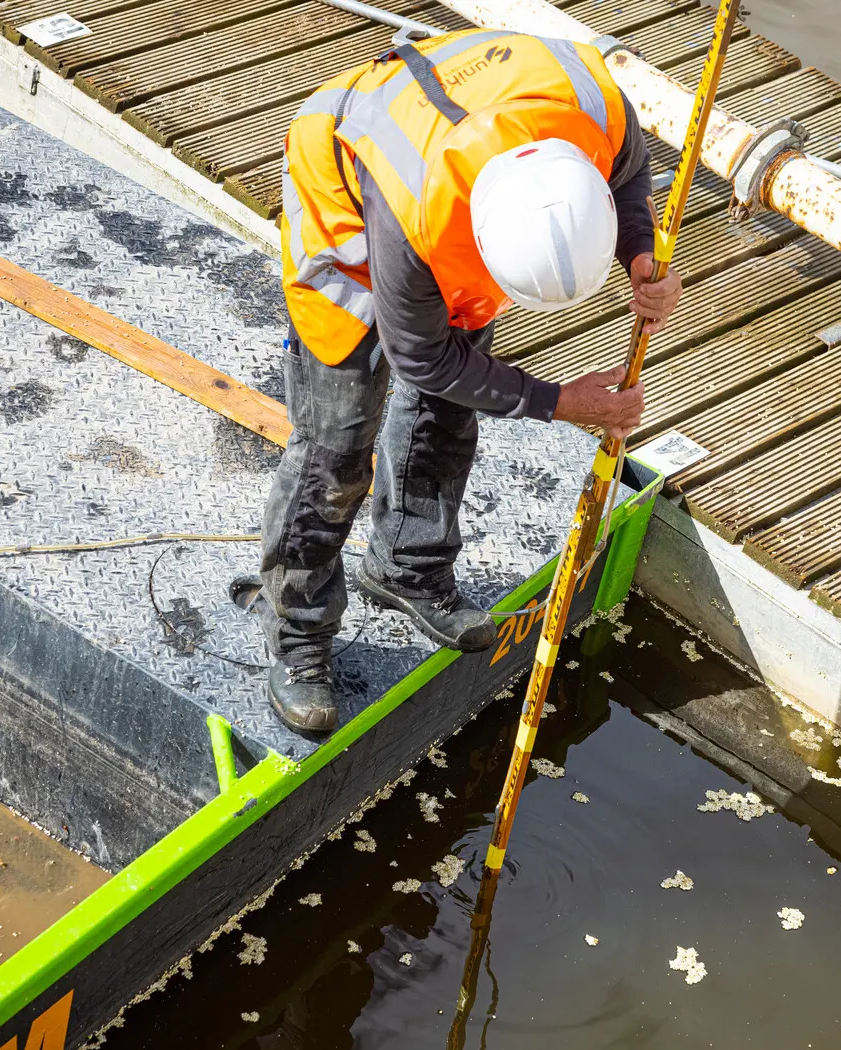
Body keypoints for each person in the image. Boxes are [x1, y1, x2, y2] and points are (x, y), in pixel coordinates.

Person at [250, 27, 681, 732]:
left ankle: (407, 567)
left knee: (451, 405)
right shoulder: (419, 209)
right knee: (338, 441)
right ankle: (297, 636)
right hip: (346, 177)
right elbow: (421, 358)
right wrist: (556, 402)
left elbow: (630, 174)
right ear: (479, 235)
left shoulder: (596, 110)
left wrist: (639, 248)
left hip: (452, 163)